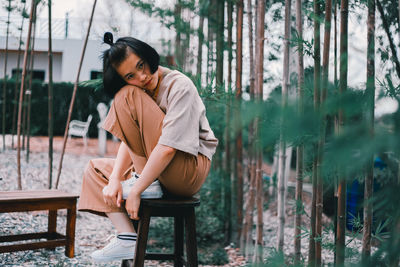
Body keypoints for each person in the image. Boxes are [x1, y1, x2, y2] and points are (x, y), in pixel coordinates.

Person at [77, 32, 218, 263]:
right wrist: (114, 178)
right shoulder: (138, 91)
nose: (142, 76)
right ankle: (126, 238)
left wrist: (137, 190)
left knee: (126, 96)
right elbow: (130, 142)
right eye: (130, 75)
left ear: (147, 55)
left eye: (141, 65)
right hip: (158, 171)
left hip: (188, 170)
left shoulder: (179, 85)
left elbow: (168, 148)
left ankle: (145, 181)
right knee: (94, 169)